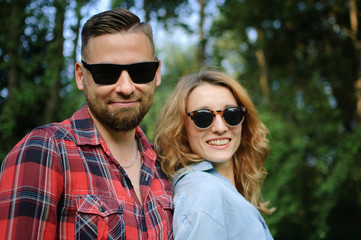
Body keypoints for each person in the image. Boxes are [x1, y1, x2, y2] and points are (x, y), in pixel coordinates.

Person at [0, 8, 173, 240]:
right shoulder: (45, 151)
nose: (126, 87)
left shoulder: (166, 167)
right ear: (81, 76)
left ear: (157, 73)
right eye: (106, 73)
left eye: (140, 71)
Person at [155, 68, 275, 239]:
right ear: (180, 128)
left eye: (231, 114)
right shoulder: (204, 193)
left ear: (243, 121)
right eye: (203, 117)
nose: (220, 128)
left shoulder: (220, 191)